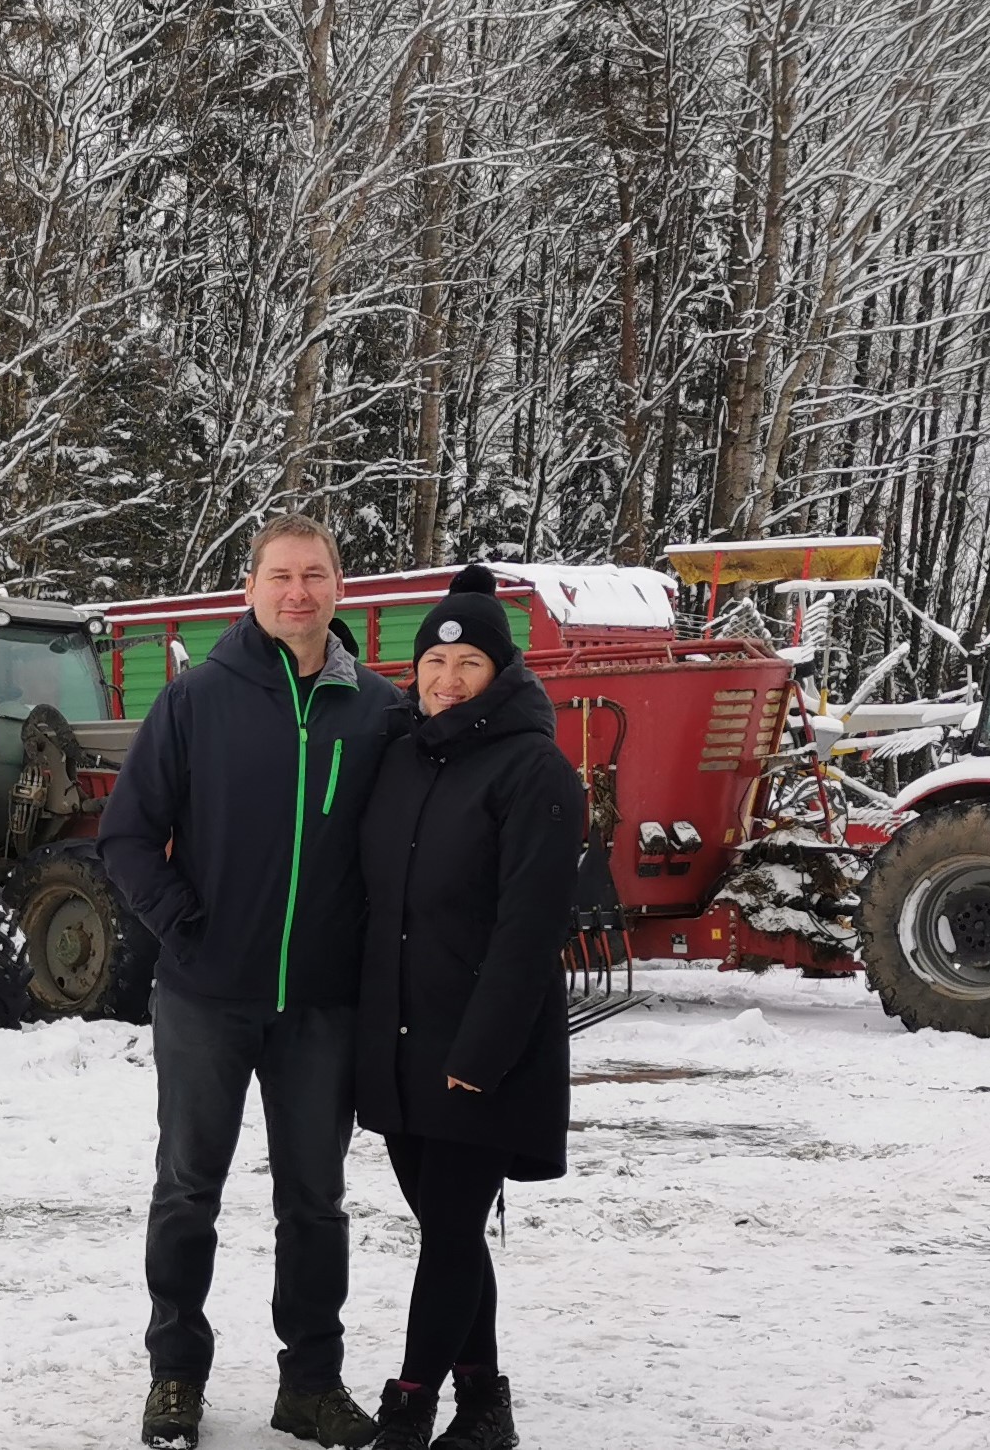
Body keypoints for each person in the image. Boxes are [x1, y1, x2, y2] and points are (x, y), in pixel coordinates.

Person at [101, 515, 406, 1450]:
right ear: (250, 586)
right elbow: (123, 834)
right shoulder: (197, 700)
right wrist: (185, 925)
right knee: (187, 1188)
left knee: (313, 1200)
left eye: (315, 575)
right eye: (280, 575)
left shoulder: (380, 711)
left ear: (340, 589)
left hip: (321, 1004)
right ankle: (175, 1375)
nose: (297, 592)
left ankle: (309, 1383)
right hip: (205, 998)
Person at [353, 565, 578, 1450]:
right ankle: (484, 1404)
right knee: (447, 1229)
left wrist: (478, 1054)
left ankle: (409, 1408)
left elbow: (530, 930)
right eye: (434, 662)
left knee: (447, 1233)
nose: (446, 679)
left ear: (500, 672)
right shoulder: (401, 755)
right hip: (398, 1039)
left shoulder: (536, 772)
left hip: (483, 1048)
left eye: (469, 662)